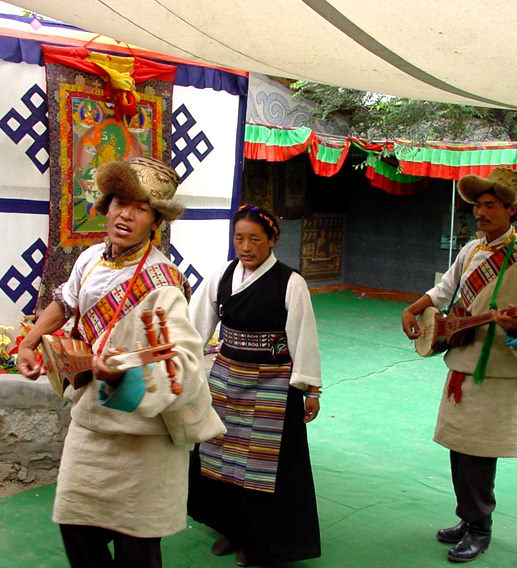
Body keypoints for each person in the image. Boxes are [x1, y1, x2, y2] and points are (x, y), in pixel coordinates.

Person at [17, 157, 223, 568]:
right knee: (75, 530)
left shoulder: (163, 284)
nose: (126, 214)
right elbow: (65, 303)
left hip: (143, 441)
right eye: (119, 203)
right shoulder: (90, 259)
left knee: (137, 550)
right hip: (90, 428)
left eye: (141, 207)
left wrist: (123, 371)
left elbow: (184, 363)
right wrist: (30, 342)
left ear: (155, 222)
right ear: (105, 207)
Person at [401, 166, 517, 563]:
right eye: (477, 206)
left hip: (499, 371)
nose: (481, 213)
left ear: (511, 209)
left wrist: (515, 326)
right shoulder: (472, 249)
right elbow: (446, 289)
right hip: (462, 362)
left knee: (479, 454)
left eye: (490, 206)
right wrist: (416, 307)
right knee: (460, 447)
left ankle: (480, 527)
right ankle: (468, 518)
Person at [187, 204, 322, 567]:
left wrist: (310, 388)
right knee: (221, 459)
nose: (245, 247)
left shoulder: (290, 282)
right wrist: (183, 360)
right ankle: (230, 529)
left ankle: (258, 541)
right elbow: (196, 324)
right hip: (226, 382)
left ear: (272, 239)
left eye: (254, 239)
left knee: (263, 468)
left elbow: (303, 336)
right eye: (239, 238)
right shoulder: (223, 275)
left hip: (274, 387)